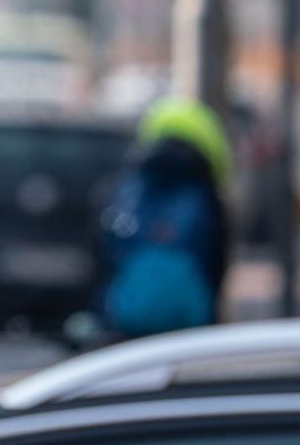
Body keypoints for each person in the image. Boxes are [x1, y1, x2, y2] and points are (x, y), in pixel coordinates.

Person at [99, 97, 233, 338]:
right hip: (190, 326)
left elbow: (105, 251)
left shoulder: (128, 188)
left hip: (125, 322)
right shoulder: (205, 195)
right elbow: (217, 262)